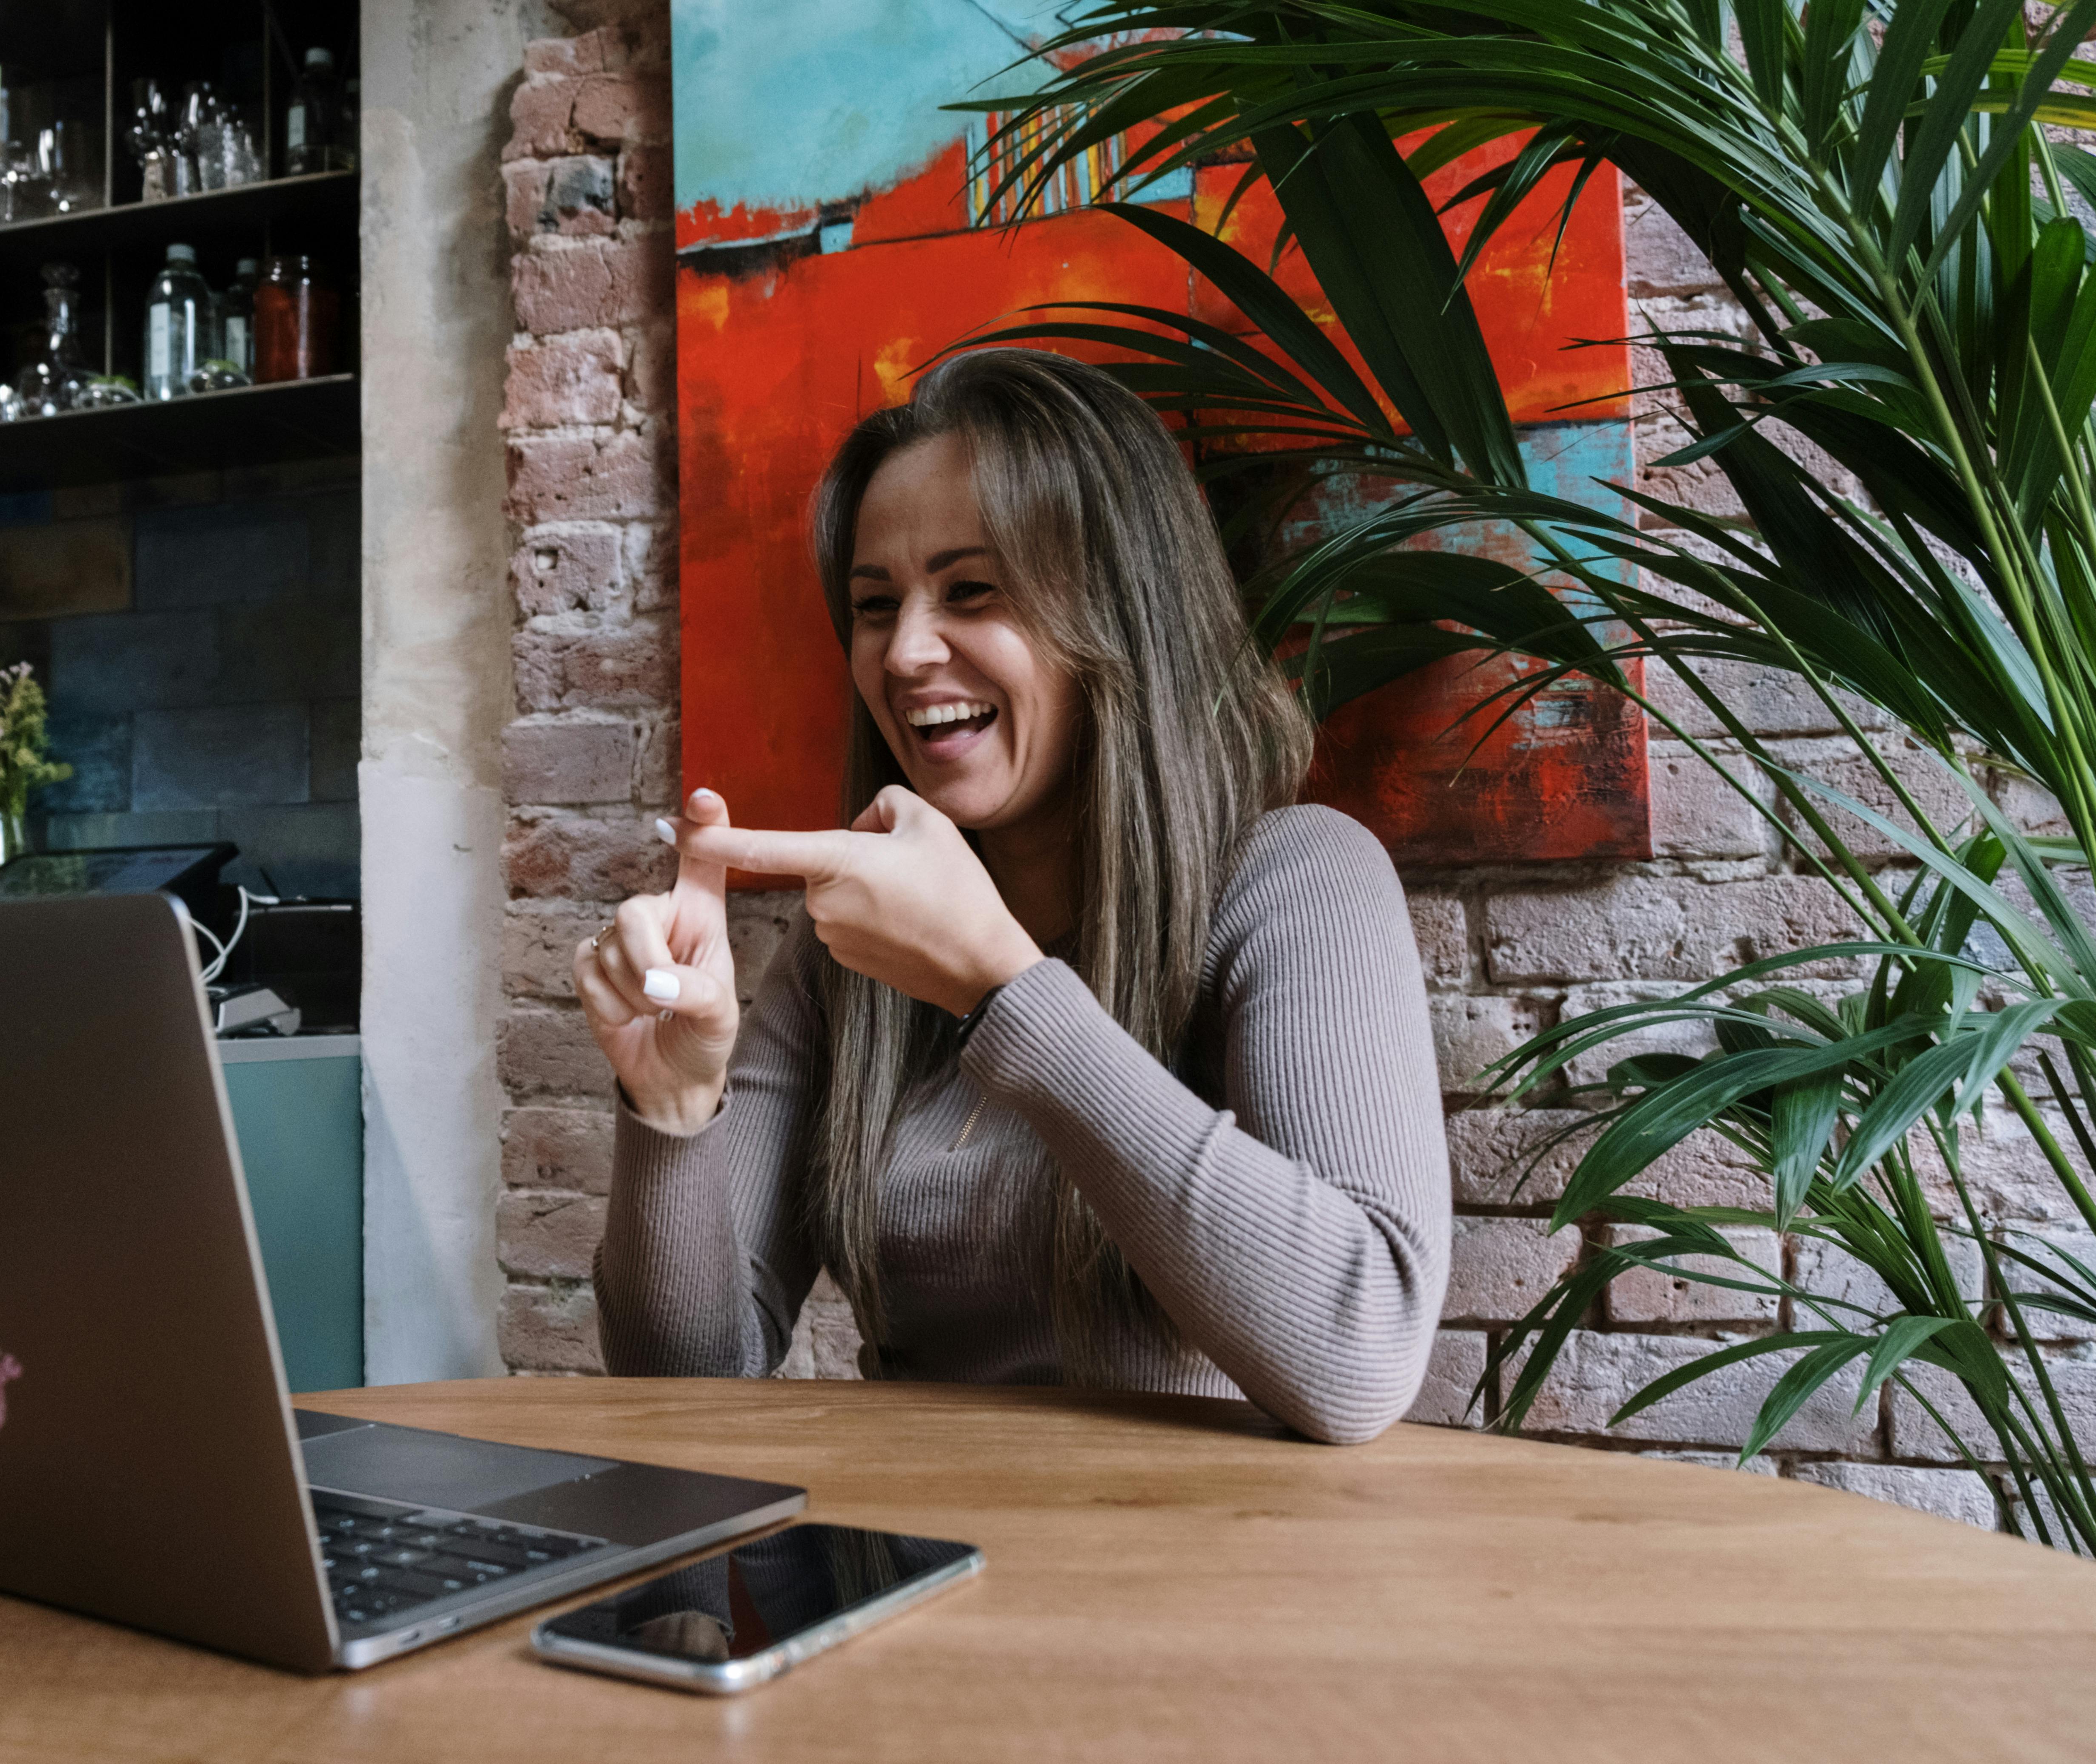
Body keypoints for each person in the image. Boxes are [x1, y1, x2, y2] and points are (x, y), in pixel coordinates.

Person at [572, 348, 1450, 1445]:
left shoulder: (1295, 880)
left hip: (1215, 1583)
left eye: (970, 590)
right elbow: (683, 1387)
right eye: (874, 604)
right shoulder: (844, 951)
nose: (906, 652)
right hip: (915, 1577)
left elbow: (1361, 1360)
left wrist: (1003, 990)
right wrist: (673, 1107)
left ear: (1118, 610)